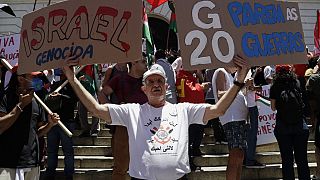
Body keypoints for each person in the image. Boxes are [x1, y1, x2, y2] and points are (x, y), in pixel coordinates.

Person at [62, 54, 249, 179]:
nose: (156, 84)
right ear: (143, 89)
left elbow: (218, 110)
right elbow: (95, 109)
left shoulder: (183, 110)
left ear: (167, 87)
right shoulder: (132, 111)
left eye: (160, 81)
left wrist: (239, 80)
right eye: (150, 82)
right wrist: (72, 79)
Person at [0, 69, 60, 180]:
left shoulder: (37, 100)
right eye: (33, 77)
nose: (38, 81)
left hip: (31, 162)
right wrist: (21, 106)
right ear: (21, 79)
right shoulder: (4, 98)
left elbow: (37, 132)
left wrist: (50, 124)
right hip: (7, 163)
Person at [102, 58, 148, 180]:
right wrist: (113, 112)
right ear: (133, 63)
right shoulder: (119, 79)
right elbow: (102, 94)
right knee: (121, 167)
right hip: (124, 126)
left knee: (146, 164)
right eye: (143, 61)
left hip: (145, 126)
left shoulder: (148, 81)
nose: (146, 64)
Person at [270, 65, 310, 180]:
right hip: (300, 126)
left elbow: (273, 108)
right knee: (302, 160)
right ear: (290, 71)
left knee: (287, 161)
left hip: (283, 127)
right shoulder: (296, 83)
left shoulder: (275, 86)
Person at [211, 66, 248, 180]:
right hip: (231, 119)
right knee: (235, 154)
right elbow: (220, 94)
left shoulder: (231, 77)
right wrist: (239, 87)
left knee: (240, 155)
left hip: (239, 119)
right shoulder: (220, 71)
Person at [44, 71, 78, 180]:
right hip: (53, 123)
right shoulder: (55, 85)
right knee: (51, 150)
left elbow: (75, 100)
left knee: (68, 150)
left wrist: (61, 96)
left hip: (67, 122)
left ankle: (69, 174)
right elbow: (46, 100)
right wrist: (51, 97)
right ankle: (50, 173)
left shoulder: (74, 86)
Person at [306, 72, 320, 180]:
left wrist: (313, 122)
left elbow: (312, 104)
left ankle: (319, 173)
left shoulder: (314, 79)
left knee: (318, 148)